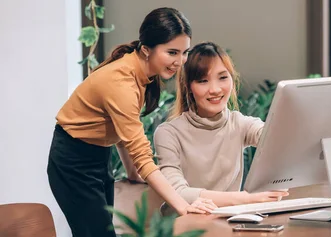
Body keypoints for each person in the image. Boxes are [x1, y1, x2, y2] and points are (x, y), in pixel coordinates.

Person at [47, 8, 216, 237]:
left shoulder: (142, 70)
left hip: (97, 154)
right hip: (72, 161)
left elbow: (122, 129)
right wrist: (184, 207)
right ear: (146, 49)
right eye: (172, 52)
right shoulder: (121, 83)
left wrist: (132, 173)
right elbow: (142, 154)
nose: (180, 62)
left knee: (104, 231)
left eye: (184, 52)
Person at [153, 42, 288, 211]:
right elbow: (176, 192)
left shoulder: (240, 124)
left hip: (226, 223)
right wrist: (246, 199)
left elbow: (276, 140)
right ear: (189, 87)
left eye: (223, 77)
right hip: (183, 227)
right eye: (203, 81)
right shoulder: (168, 133)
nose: (215, 89)